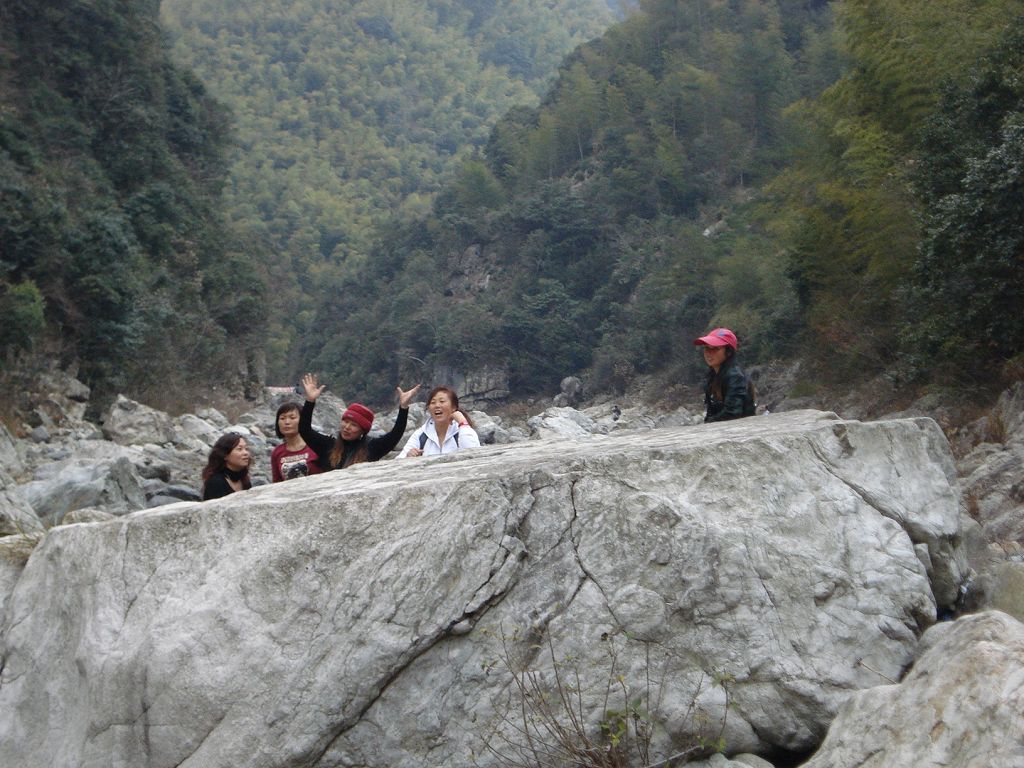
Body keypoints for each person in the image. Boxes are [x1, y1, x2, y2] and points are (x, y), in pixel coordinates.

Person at [299, 373, 419, 470]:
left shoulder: (372, 448)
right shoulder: (328, 445)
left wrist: (403, 408)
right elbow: (304, 430)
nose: (347, 427)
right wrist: (310, 401)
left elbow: (395, 435)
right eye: (345, 421)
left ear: (363, 431)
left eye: (354, 425)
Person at [694, 327, 756, 423]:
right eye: (707, 348)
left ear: (729, 352)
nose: (709, 353)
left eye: (715, 348)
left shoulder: (735, 376)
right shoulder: (712, 376)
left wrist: (709, 423)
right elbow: (711, 411)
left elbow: (733, 413)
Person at [398, 385, 481, 457]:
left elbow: (473, 454)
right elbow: (399, 462)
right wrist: (408, 457)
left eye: (442, 401)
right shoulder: (421, 435)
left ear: (454, 407)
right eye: (433, 402)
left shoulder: (462, 431)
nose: (437, 405)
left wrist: (462, 422)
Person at [270, 402, 323, 482]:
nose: (287, 422)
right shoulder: (277, 452)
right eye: (282, 418)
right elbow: (277, 483)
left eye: (292, 418)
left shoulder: (316, 446)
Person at [202, 433, 253, 500]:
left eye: (246, 449)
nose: (246, 453)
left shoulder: (243, 479)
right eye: (239, 449)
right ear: (225, 455)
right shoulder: (216, 482)